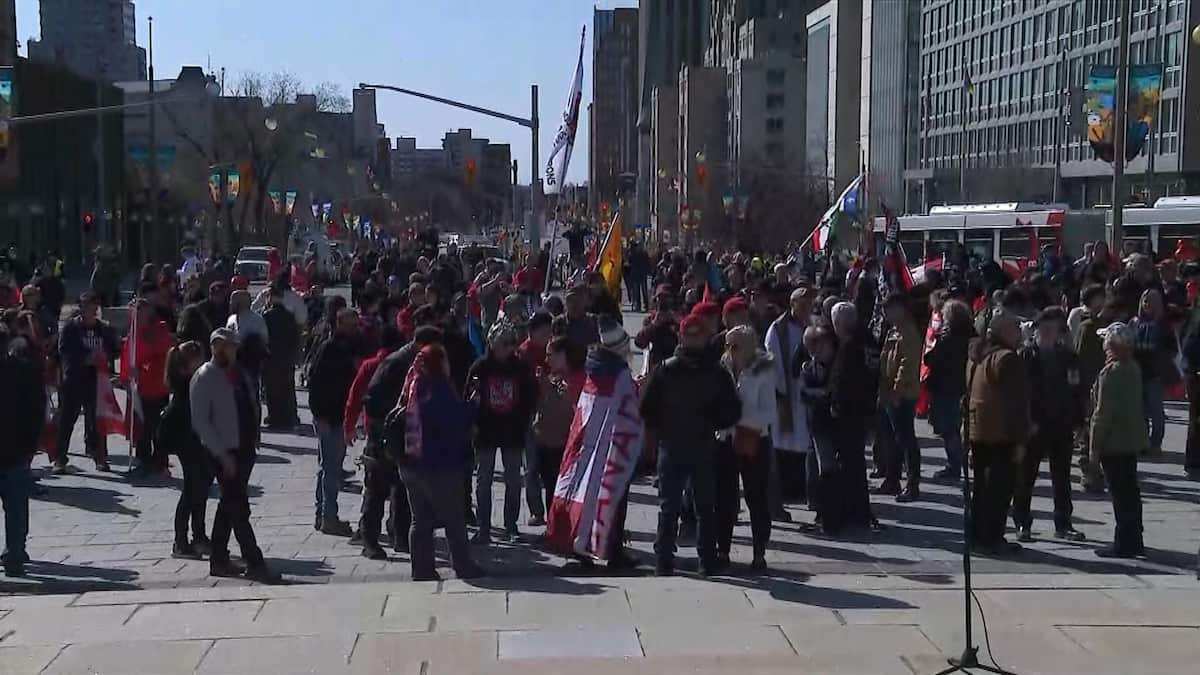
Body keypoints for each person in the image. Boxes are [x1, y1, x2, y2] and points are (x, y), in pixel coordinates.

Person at [640, 314, 741, 576]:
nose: (695, 339)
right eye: (690, 334)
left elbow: (731, 410)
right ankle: (665, 559)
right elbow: (647, 408)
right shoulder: (668, 369)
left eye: (699, 334)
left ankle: (705, 559)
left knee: (704, 506)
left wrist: (713, 421)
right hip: (675, 444)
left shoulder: (714, 372)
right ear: (681, 336)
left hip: (699, 443)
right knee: (672, 505)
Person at [190, 328, 279, 583]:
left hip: (244, 448)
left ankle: (218, 559)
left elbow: (250, 404)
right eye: (228, 346)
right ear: (216, 346)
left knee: (229, 505)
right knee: (238, 508)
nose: (232, 350)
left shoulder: (238, 373)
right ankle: (255, 561)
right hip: (223, 451)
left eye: (234, 346)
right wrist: (221, 454)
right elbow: (201, 423)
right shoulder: (205, 377)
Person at [396, 344, 485, 581]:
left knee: (420, 519)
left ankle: (422, 569)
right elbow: (454, 421)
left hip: (410, 462)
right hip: (438, 464)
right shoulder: (438, 387)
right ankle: (464, 566)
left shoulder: (413, 383)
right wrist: (472, 404)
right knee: (454, 518)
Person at [1011, 307, 1086, 543]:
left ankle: (1063, 522)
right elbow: (1018, 394)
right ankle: (1022, 521)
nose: (1048, 333)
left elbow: (1077, 391)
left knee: (1062, 477)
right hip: (1034, 424)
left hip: (1061, 423)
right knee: (1026, 476)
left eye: (1053, 329)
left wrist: (1079, 421)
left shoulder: (1068, 357)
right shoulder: (1026, 356)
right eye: (1044, 328)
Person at [965, 312, 1031, 557]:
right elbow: (1015, 403)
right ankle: (992, 539)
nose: (1019, 332)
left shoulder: (977, 356)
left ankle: (978, 535)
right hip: (1002, 434)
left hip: (979, 430)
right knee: (999, 490)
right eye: (1015, 327)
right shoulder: (1007, 359)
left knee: (982, 488)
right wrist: (1020, 439)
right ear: (1003, 331)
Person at [466, 325, 537, 544]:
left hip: (512, 431)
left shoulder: (520, 368)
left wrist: (525, 422)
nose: (509, 348)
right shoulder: (480, 367)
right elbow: (467, 398)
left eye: (511, 343)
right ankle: (484, 527)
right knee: (483, 481)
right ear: (492, 343)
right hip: (486, 431)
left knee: (514, 481)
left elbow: (530, 398)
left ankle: (511, 525)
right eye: (504, 343)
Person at [715, 325, 775, 571]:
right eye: (727, 345)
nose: (730, 350)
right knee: (725, 497)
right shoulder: (723, 368)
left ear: (749, 347)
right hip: (726, 439)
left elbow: (768, 413)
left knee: (756, 497)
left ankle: (759, 552)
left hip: (754, 440)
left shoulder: (764, 371)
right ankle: (722, 550)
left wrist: (738, 416)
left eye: (735, 345)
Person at [1089, 322, 1147, 558]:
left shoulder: (1110, 373)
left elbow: (1102, 414)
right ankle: (1135, 537)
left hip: (1113, 443)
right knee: (1131, 492)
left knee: (1120, 495)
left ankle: (1124, 542)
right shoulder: (1133, 368)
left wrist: (1094, 448)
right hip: (1131, 441)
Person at [0, 325, 49, 577]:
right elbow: (36, 408)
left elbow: (35, 407)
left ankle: (15, 553)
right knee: (16, 505)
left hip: (14, 449)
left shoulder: (23, 370)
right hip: (16, 449)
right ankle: (15, 553)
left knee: (16, 504)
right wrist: (31, 442)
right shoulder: (24, 369)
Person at [307, 308, 361, 536]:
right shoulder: (330, 349)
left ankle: (322, 514)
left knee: (327, 467)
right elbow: (316, 384)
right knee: (331, 468)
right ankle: (329, 516)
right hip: (329, 416)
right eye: (349, 325)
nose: (353, 330)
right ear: (339, 324)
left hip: (335, 415)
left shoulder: (346, 348)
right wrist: (322, 415)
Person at [54, 293, 120, 473]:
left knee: (97, 421)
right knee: (67, 419)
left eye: (92, 307)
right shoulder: (71, 328)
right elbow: (64, 350)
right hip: (74, 380)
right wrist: (85, 359)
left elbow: (114, 349)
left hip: (96, 381)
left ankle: (100, 457)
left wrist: (108, 355)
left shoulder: (103, 329)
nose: (89, 310)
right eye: (85, 306)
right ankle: (60, 458)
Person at [159, 341, 212, 559]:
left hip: (193, 438)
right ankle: (181, 541)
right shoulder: (188, 382)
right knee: (192, 488)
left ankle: (198, 536)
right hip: (185, 438)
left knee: (200, 487)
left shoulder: (189, 380)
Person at [764, 287, 813, 513]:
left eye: (808, 304)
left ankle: (802, 489)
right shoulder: (777, 329)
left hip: (807, 392)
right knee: (783, 442)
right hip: (786, 393)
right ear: (792, 304)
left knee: (804, 441)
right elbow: (772, 359)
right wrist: (781, 390)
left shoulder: (811, 326)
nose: (805, 309)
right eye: (801, 304)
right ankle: (784, 492)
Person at [876, 294, 923, 502]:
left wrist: (896, 389)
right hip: (888, 392)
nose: (886, 314)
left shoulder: (908, 331)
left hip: (902, 394)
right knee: (890, 438)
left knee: (905, 439)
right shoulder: (894, 330)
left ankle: (912, 484)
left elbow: (907, 364)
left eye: (889, 309)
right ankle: (892, 479)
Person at [532, 336, 586, 514]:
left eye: (550, 355)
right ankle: (552, 527)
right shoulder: (552, 378)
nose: (547, 360)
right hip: (545, 442)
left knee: (561, 489)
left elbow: (579, 413)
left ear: (563, 355)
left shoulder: (578, 380)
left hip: (564, 445)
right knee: (549, 487)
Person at [923, 299, 974, 481]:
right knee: (954, 426)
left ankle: (954, 465)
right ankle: (956, 464)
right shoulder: (970, 334)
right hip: (961, 385)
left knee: (948, 429)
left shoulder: (947, 337)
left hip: (945, 386)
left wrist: (932, 343)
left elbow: (932, 359)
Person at [125, 299, 174, 477]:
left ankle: (160, 461)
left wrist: (141, 368)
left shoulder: (160, 330)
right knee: (142, 427)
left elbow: (160, 357)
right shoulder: (135, 332)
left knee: (157, 427)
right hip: (142, 387)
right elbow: (129, 354)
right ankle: (144, 460)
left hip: (158, 386)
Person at [517, 312, 554, 526]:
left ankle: (553, 510)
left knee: (550, 467)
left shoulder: (551, 350)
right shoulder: (523, 353)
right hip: (530, 414)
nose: (548, 336)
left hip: (550, 412)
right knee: (531, 466)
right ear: (532, 332)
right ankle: (536, 510)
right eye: (544, 332)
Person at [1130, 289, 1176, 455]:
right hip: (1137, 371)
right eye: (1145, 301)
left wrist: (1161, 359)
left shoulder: (1163, 325)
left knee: (1156, 410)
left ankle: (1155, 443)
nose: (1147, 304)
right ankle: (1142, 441)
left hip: (1155, 374)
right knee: (1140, 410)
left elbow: (1172, 349)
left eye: (1150, 301)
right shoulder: (1135, 323)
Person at [261, 286, 300, 429]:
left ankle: (275, 416)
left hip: (271, 356)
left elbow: (263, 336)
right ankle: (290, 416)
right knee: (288, 387)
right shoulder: (289, 316)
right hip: (286, 356)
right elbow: (295, 337)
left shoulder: (266, 315)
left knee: (271, 389)